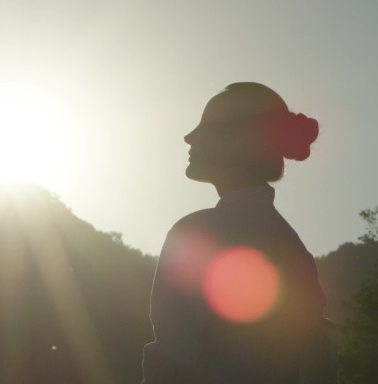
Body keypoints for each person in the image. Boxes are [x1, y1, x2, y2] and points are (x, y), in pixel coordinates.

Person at [141, 82, 338, 383]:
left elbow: (173, 360)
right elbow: (319, 361)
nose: (188, 137)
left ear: (238, 140)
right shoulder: (293, 248)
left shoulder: (197, 233)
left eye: (205, 126)